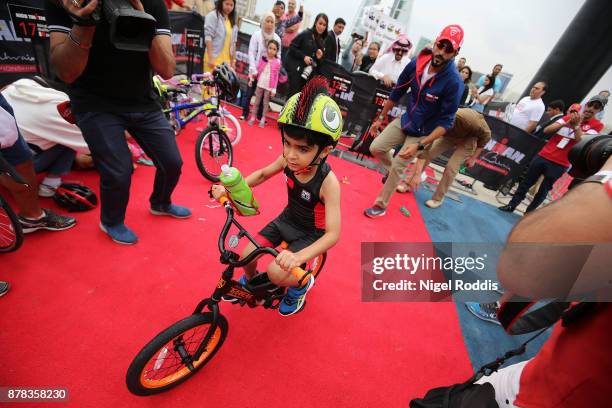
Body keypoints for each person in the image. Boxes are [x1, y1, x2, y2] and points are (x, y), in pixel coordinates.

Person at [471, 154, 612, 407]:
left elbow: (523, 266)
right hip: (561, 361)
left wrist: (607, 174)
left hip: (556, 390)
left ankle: (495, 308)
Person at [46, 0, 191, 245]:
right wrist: (84, 21)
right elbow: (66, 72)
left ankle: (160, 202)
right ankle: (111, 221)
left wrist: (143, 19)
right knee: (119, 170)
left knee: (172, 162)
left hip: (142, 100)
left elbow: (166, 69)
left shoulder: (152, 3)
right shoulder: (69, 2)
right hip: (94, 102)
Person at [211, 77, 342, 316]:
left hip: (311, 234)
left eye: (302, 149)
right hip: (286, 221)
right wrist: (228, 189)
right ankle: (251, 285)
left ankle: (301, 286)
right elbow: (261, 175)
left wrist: (298, 257)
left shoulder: (328, 183)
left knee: (276, 272)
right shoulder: (289, 160)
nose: (291, 155)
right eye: (287, 144)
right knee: (246, 255)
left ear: (325, 151)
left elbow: (333, 234)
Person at [363, 25, 465, 218]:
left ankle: (380, 205)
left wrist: (420, 145)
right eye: (440, 45)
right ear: (436, 42)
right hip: (407, 118)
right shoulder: (417, 63)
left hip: (425, 131)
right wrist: (381, 118)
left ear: (455, 53)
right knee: (376, 148)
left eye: (448, 49)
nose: (441, 52)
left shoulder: (454, 82)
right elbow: (397, 91)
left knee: (400, 162)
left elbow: (446, 123)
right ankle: (394, 173)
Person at [499, 97, 604, 214]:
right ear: (586, 105)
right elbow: (547, 130)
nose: (591, 109)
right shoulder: (570, 116)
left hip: (561, 162)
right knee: (526, 183)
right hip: (543, 155)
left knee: (544, 190)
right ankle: (511, 205)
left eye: (596, 107)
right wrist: (568, 122)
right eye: (590, 105)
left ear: (599, 110)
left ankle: (528, 214)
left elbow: (581, 141)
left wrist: (576, 126)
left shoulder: (597, 125)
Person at [0, 93, 76, 233]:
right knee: (20, 160)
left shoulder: (25, 86)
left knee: (19, 159)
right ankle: (33, 217)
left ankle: (33, 214)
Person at [1, 78, 90, 197]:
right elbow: (98, 147)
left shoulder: (23, 83)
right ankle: (49, 186)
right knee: (65, 137)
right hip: (15, 174)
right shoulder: (60, 109)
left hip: (6, 163)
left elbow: (4, 88)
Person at [400, 108, 491, 208]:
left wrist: (473, 158)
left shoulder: (471, 121)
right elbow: (425, 150)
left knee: (451, 167)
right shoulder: (436, 120)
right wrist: (417, 175)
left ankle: (437, 199)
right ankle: (408, 184)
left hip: (468, 139)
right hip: (448, 135)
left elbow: (486, 136)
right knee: (429, 153)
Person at [240, 11, 281, 120]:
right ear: (263, 22)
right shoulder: (257, 34)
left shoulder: (277, 38)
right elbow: (251, 52)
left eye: (272, 22)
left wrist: (274, 69)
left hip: (267, 73)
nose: (269, 24)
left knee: (264, 96)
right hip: (255, 70)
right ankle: (245, 113)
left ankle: (258, 116)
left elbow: (279, 56)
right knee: (249, 93)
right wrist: (253, 68)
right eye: (267, 21)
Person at [284, 13, 327, 97]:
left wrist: (319, 58)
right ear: (315, 23)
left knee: (300, 101)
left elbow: (318, 64)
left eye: (324, 25)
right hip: (296, 72)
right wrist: (303, 57)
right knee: (292, 98)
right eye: (320, 23)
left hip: (307, 76)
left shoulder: (321, 42)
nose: (321, 27)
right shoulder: (306, 34)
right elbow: (292, 47)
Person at [247, 39, 281, 128]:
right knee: (256, 101)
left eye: (274, 49)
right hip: (260, 82)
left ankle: (263, 118)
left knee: (266, 103)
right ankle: (253, 117)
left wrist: (274, 89)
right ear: (267, 48)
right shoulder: (263, 58)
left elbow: (276, 76)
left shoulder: (277, 62)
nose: (271, 50)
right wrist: (251, 78)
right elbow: (258, 69)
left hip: (269, 86)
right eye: (270, 48)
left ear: (277, 51)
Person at [204, 0, 237, 72]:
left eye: (231, 5)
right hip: (213, 59)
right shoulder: (213, 15)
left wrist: (233, 62)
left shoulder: (233, 22)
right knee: (208, 83)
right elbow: (208, 37)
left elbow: (233, 44)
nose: (229, 7)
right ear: (221, 3)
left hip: (226, 63)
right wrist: (210, 57)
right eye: (227, 4)